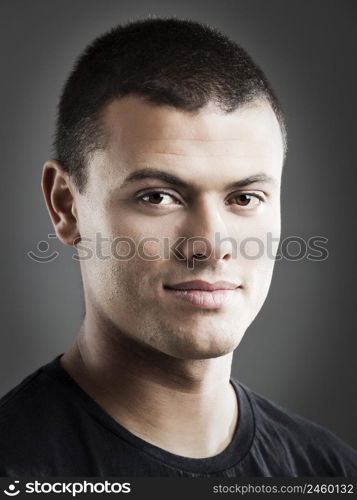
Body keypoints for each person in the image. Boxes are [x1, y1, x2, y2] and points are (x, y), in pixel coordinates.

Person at [0, 17, 356, 478]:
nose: (210, 245)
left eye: (244, 198)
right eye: (158, 197)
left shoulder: (332, 474)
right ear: (66, 205)